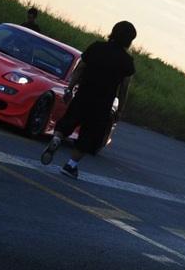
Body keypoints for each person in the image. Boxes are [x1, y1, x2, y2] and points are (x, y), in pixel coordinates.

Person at [40, 21, 136, 178]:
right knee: (88, 135)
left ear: (113, 32)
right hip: (103, 103)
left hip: (83, 94)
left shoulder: (96, 47)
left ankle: (57, 138)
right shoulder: (127, 61)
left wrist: (69, 88)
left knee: (68, 121)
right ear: (129, 40)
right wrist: (120, 110)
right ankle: (71, 165)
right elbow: (124, 88)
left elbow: (80, 68)